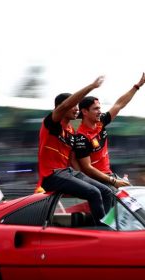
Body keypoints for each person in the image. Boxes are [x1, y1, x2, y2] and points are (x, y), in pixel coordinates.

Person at [37, 75, 114, 224]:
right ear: (61, 108)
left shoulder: (72, 130)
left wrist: (85, 177)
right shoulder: (52, 124)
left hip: (69, 173)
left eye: (77, 106)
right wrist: (91, 86)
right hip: (52, 176)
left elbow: (72, 159)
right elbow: (66, 105)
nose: (76, 109)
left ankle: (106, 224)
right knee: (93, 192)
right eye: (74, 106)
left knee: (107, 191)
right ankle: (102, 230)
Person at [74, 73, 145, 189]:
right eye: (96, 109)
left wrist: (137, 86)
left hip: (109, 176)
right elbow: (87, 168)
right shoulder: (81, 137)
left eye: (100, 108)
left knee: (132, 193)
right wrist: (113, 181)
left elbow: (119, 104)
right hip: (97, 181)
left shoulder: (101, 122)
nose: (100, 111)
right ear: (84, 112)